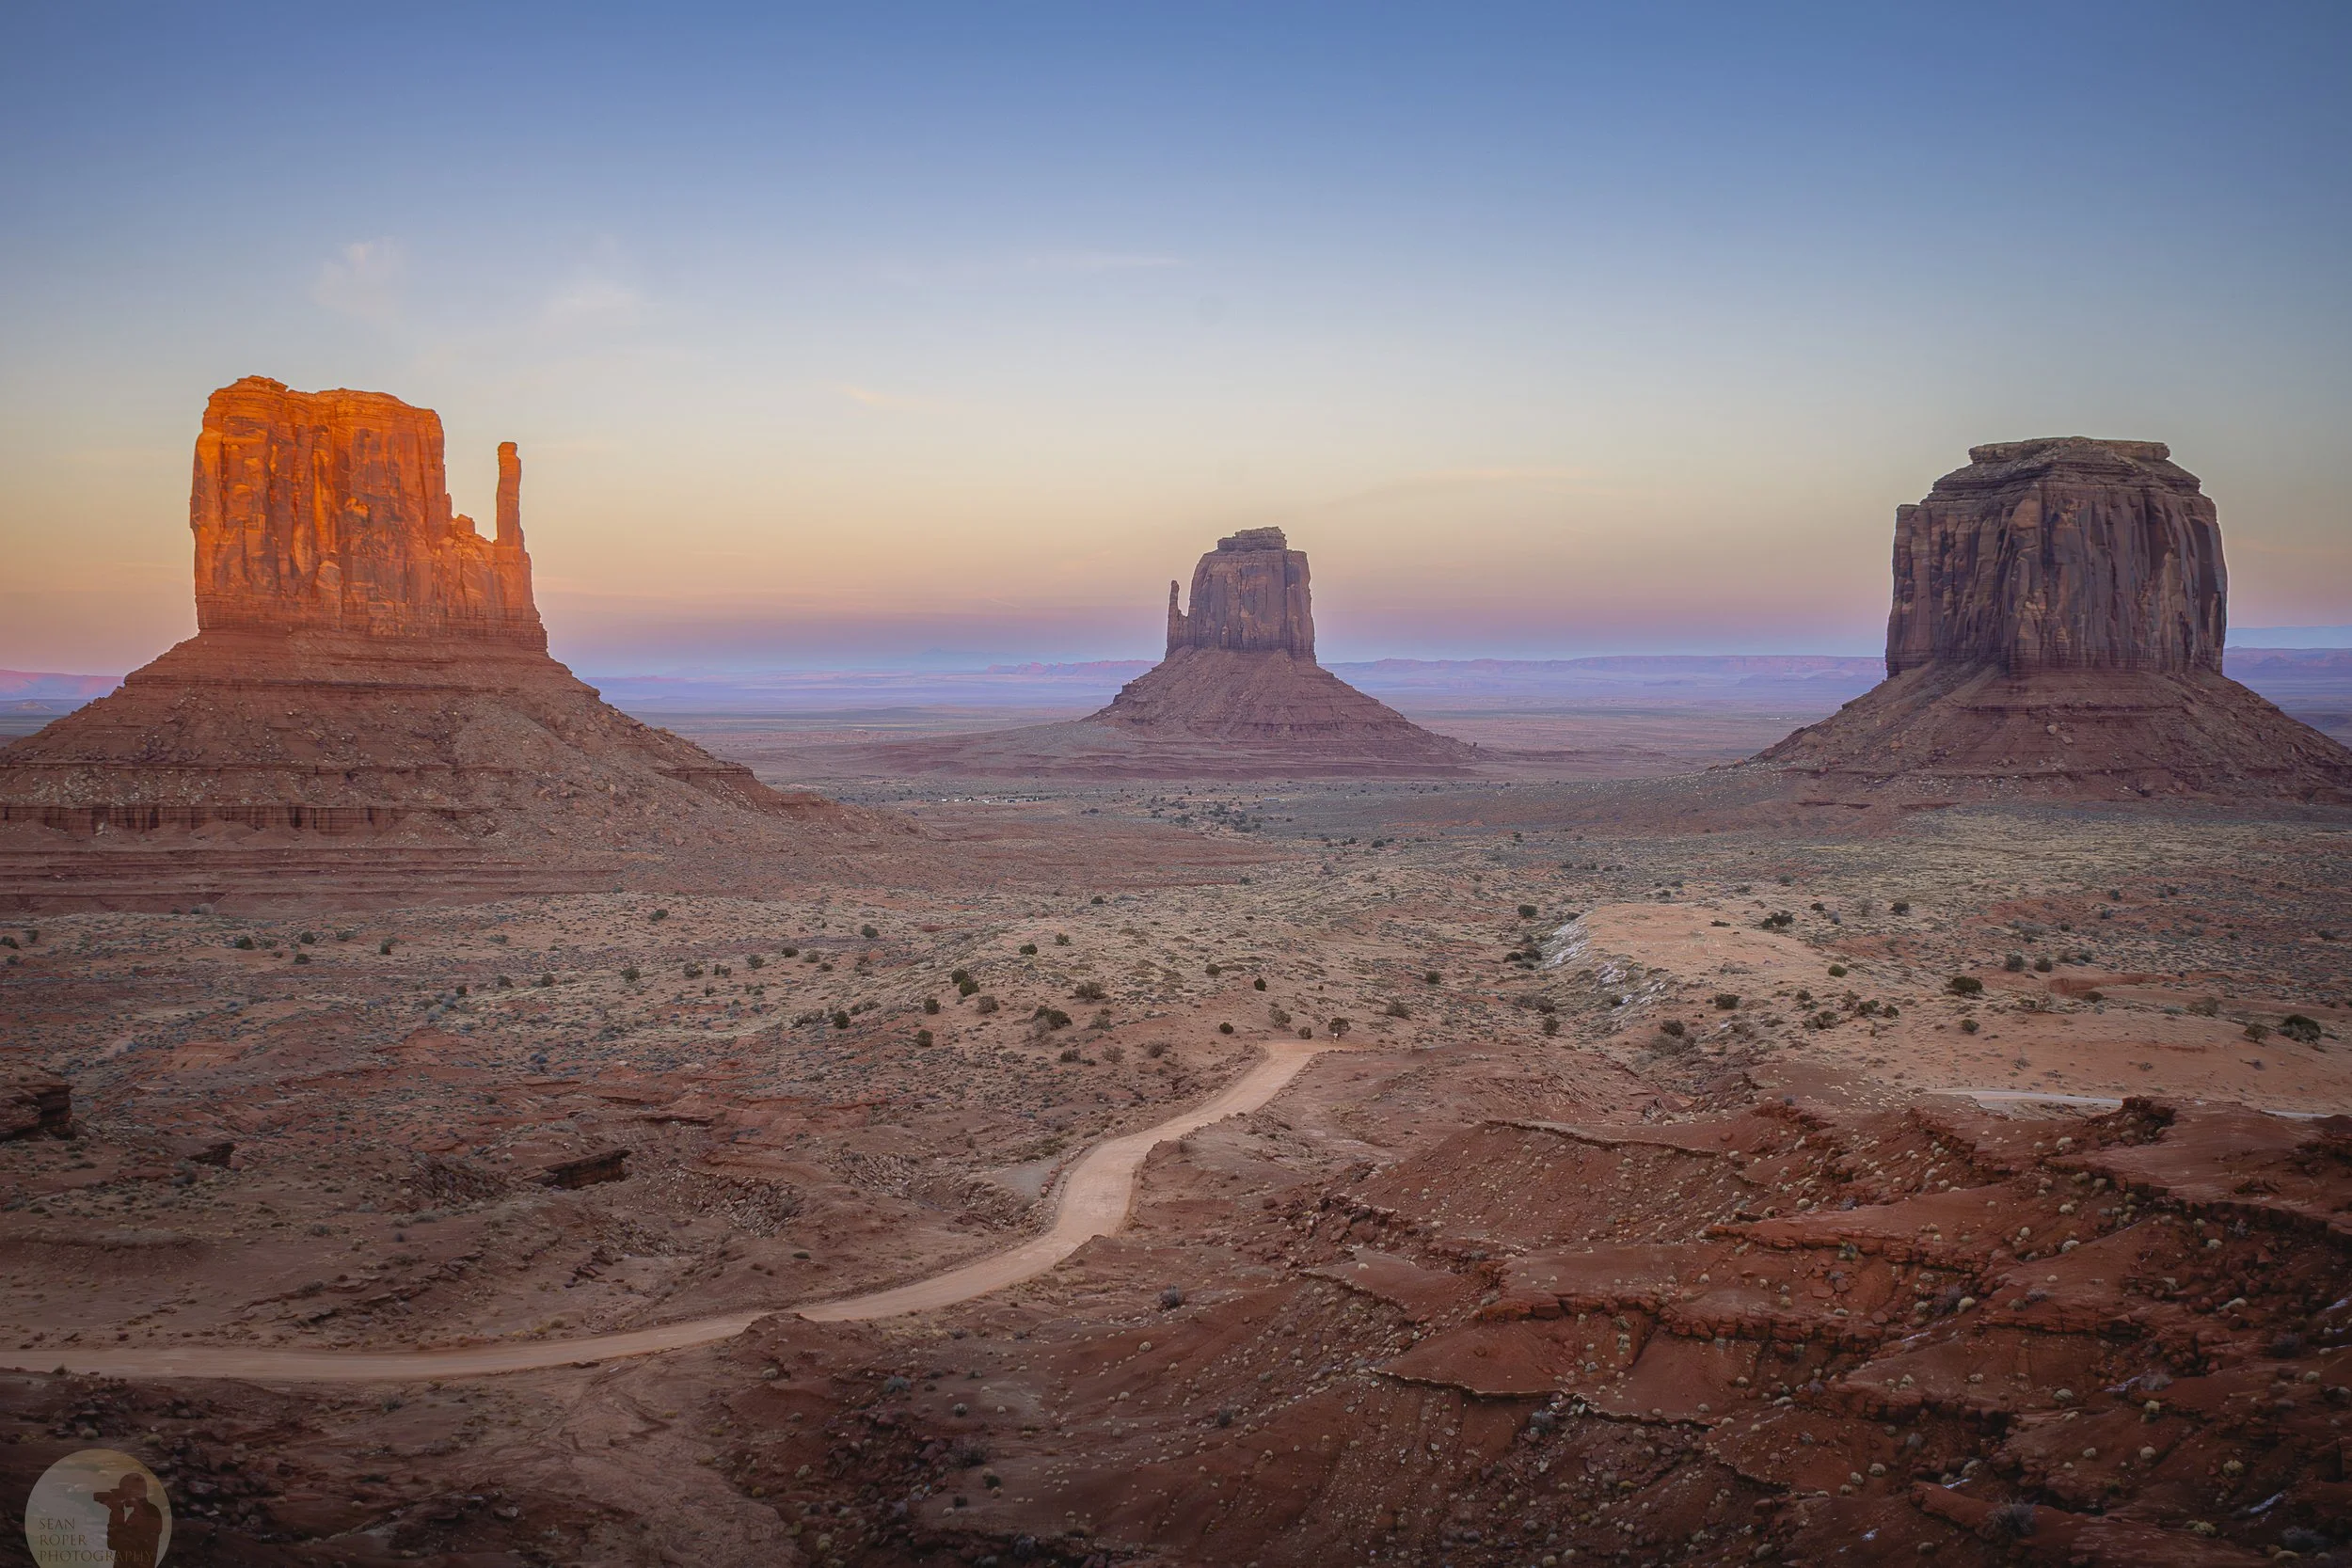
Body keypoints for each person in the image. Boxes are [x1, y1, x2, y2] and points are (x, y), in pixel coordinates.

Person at [90, 1470, 164, 1568]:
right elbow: (113, 1543)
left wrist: (117, 1511)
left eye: (121, 1491)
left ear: (130, 1491)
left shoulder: (147, 1512)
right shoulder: (142, 1512)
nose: (121, 1495)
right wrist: (116, 1510)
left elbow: (118, 1543)